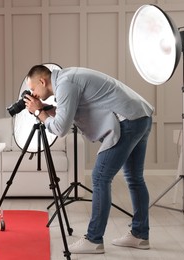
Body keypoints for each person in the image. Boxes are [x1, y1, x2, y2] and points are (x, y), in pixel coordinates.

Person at [24, 65, 154, 254]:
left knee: (101, 178)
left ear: (42, 81)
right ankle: (140, 235)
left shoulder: (65, 84)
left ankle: (94, 239)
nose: (33, 94)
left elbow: (60, 128)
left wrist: (38, 112)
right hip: (140, 116)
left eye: (33, 88)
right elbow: (68, 114)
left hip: (128, 120)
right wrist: (44, 109)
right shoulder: (68, 78)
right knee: (134, 179)